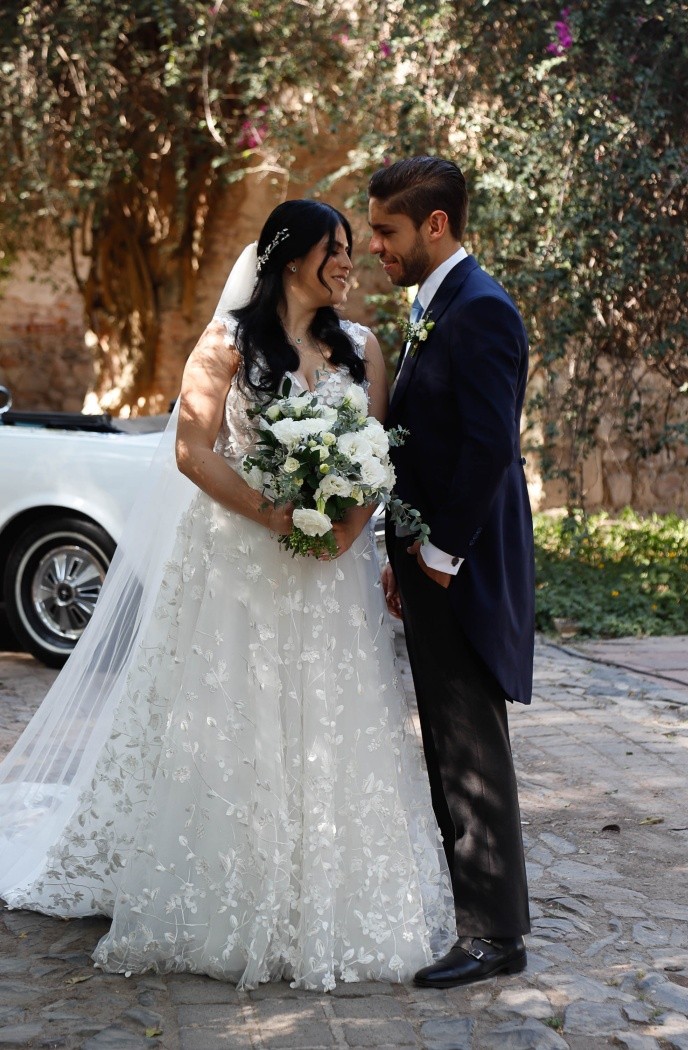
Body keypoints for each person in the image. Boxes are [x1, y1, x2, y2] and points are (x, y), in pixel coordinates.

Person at [0, 199, 454, 991]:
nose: (348, 263)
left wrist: (343, 531)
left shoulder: (362, 348)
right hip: (240, 563)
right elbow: (192, 450)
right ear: (291, 257)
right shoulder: (225, 345)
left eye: (351, 248)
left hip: (329, 576)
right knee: (234, 714)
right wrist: (274, 514)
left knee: (324, 719)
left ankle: (321, 888)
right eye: (334, 249)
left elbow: (375, 455)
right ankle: (227, 888)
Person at [368, 157, 534, 988]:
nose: (375, 246)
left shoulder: (481, 309)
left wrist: (437, 556)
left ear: (435, 225)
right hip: (428, 560)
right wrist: (402, 551)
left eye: (387, 231)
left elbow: (489, 447)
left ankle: (494, 938)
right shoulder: (438, 304)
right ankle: (482, 921)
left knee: (469, 749)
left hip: (459, 568)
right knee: (447, 740)